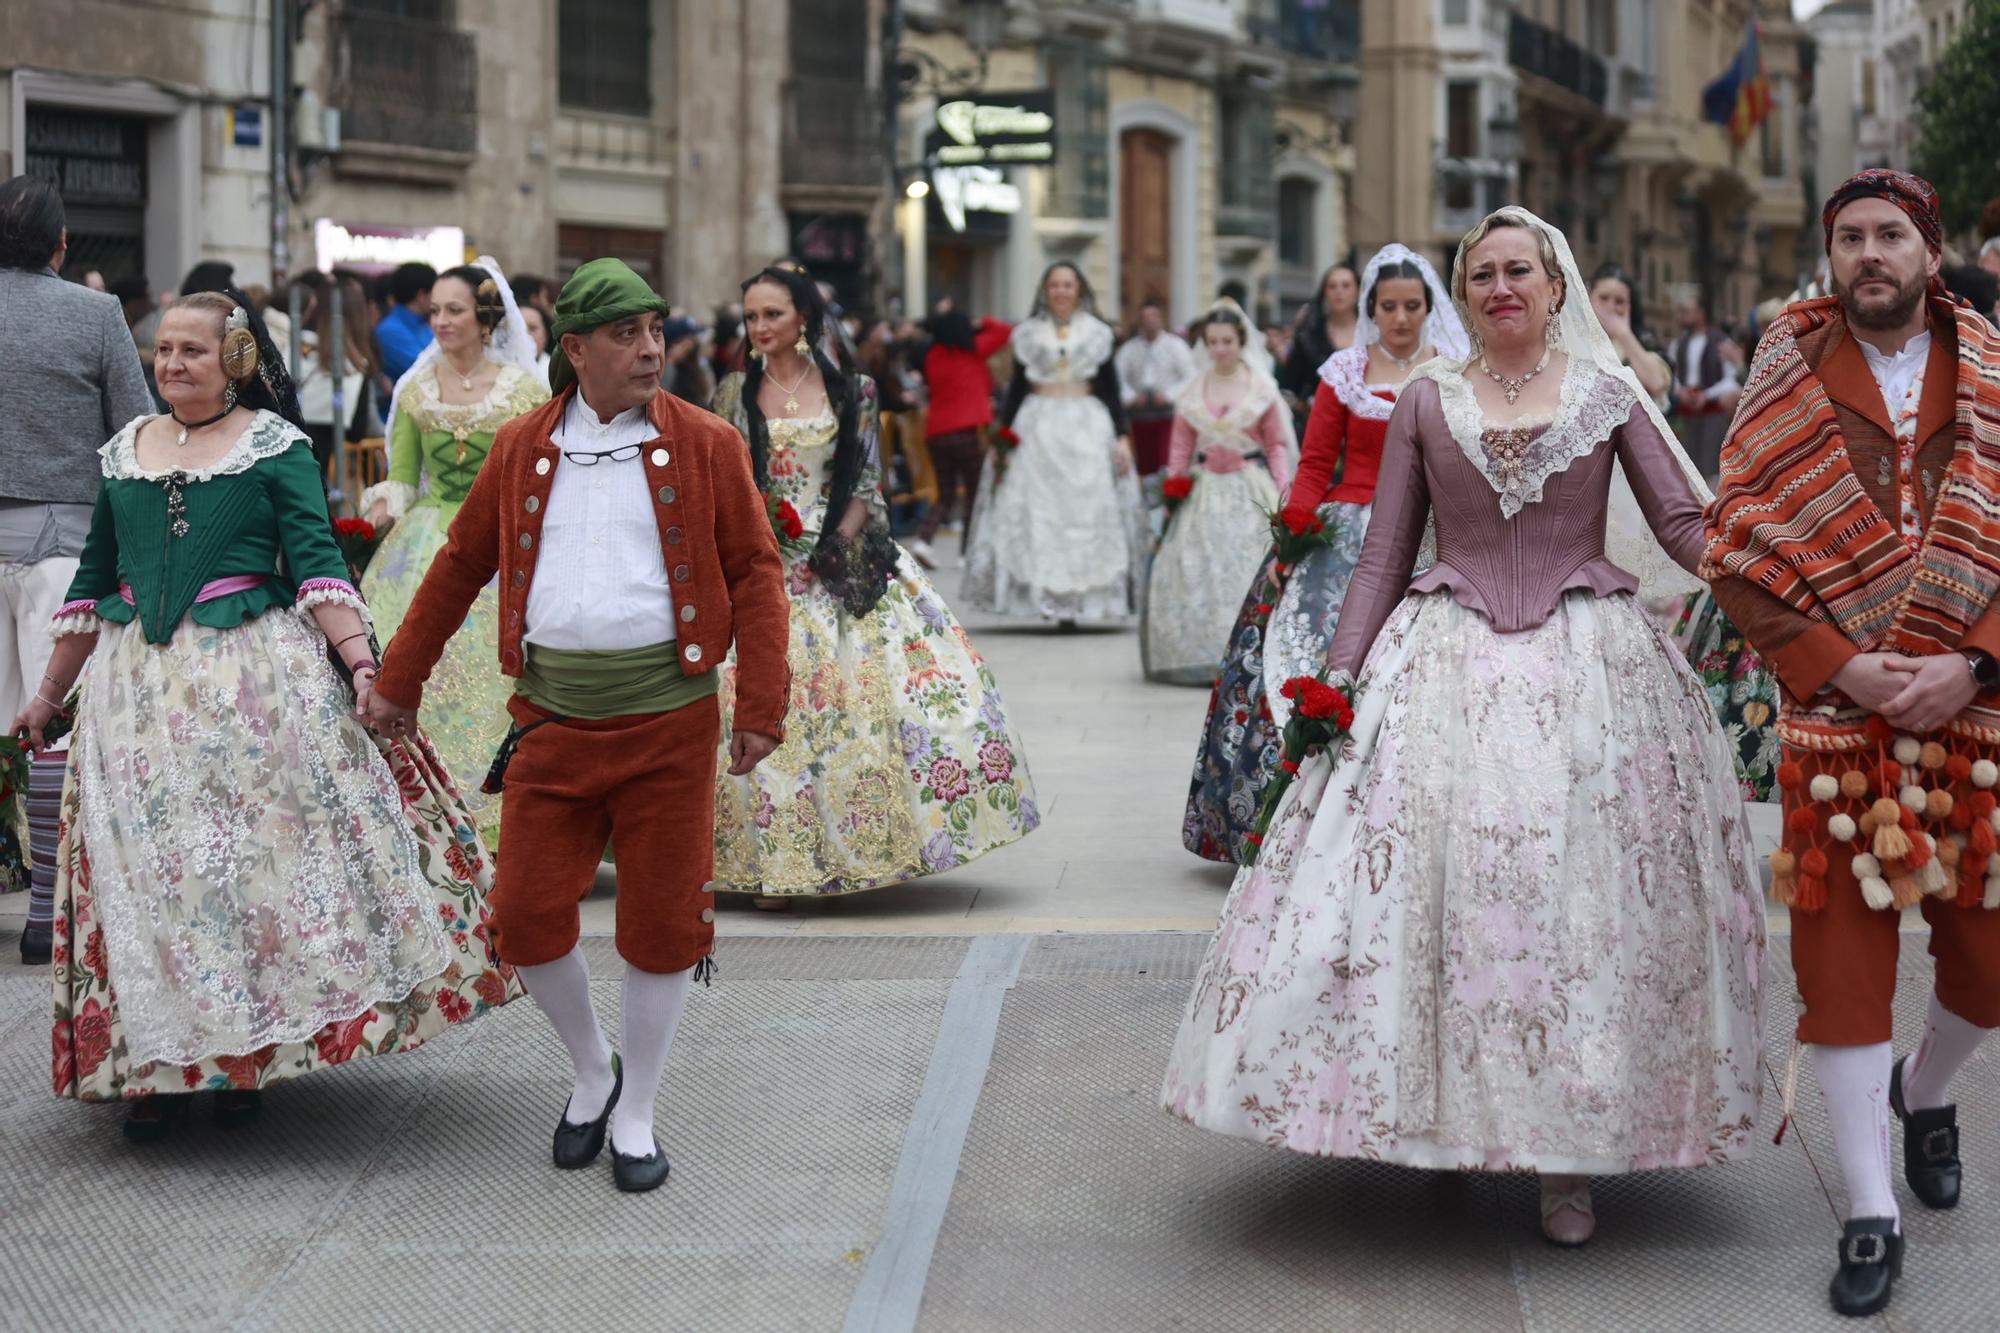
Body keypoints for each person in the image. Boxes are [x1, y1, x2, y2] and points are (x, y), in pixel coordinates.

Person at [1163, 207, 1762, 1250]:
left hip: (1590, 667)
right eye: (1479, 271)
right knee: (1439, 900)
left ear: (1553, 286)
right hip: (1440, 657)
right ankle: (1432, 1120)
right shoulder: (1426, 401)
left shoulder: (1607, 393)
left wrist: (1773, 565)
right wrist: (1336, 679)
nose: (1499, 286)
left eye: (1516, 269)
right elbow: (1386, 553)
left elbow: (1680, 524)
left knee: (1574, 906)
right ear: (1465, 290)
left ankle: (1564, 1157)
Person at [21, 289, 519, 1135]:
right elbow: (93, 584)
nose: (171, 364)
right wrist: (46, 694)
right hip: (137, 699)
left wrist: (365, 666)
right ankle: (155, 1065)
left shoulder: (274, 447)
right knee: (151, 877)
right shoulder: (123, 453)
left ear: (237, 361)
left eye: (192, 351)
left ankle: (239, 1058)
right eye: (163, 350)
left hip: (251, 692)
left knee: (240, 876)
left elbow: (320, 566)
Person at [366, 259, 790, 1192]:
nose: (651, 351)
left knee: (660, 924)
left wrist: (760, 704)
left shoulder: (709, 441)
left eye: (656, 333)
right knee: (522, 917)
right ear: (575, 350)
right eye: (628, 336)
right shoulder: (524, 446)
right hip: (551, 718)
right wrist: (398, 682)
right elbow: (458, 566)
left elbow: (757, 571)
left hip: (671, 723)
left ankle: (637, 1109)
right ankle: (594, 1066)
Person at [1706, 170, 2000, 1319]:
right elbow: (1734, 549)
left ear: (1927, 251)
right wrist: (1838, 665)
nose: (1867, 254)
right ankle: (1869, 1212)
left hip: (1970, 717)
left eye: (1888, 236)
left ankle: (1922, 1092)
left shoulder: (1992, 367)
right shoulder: (1780, 374)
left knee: (1983, 965)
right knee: (1839, 973)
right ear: (1826, 253)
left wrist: (1970, 663)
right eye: (1847, 238)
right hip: (1834, 726)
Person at [710, 265, 1036, 903]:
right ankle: (770, 860)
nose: (759, 328)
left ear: (802, 316)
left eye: (772, 314)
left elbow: (861, 486)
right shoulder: (731, 392)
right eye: (751, 316)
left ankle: (859, 845)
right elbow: (727, 484)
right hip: (758, 560)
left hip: (837, 559)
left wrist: (824, 550)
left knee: (870, 706)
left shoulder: (852, 390)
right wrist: (762, 550)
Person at [1182, 244, 1467, 862]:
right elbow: (1315, 463)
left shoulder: (1451, 372)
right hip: (1346, 528)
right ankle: (1283, 811)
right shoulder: (1344, 372)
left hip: (1428, 532)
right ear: (1371, 309)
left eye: (1411, 306)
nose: (1400, 317)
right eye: (1388, 306)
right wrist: (1295, 527)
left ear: (1428, 307)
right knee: (1300, 650)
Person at [0, 175, 153, 963]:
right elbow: (136, 432)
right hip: (63, 535)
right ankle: (42, 913)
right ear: (63, 246)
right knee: (50, 722)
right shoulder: (94, 313)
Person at [360, 259, 548, 833]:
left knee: (498, 677)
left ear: (485, 317)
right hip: (426, 540)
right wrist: (376, 516)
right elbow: (403, 475)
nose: (440, 321)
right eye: (435, 310)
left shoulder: (524, 390)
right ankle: (422, 811)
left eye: (454, 310)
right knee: (416, 662)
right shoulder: (416, 388)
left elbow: (539, 473)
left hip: (502, 536)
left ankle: (503, 816)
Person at [963, 262, 1146, 624]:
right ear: (1045, 290)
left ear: (1079, 290)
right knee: (1038, 511)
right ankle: (1044, 599)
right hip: (1038, 426)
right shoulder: (1028, 334)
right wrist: (1003, 437)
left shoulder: (1098, 334)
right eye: (1055, 285)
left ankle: (1082, 600)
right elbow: (1015, 390)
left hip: (1086, 424)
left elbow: (1110, 389)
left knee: (1088, 510)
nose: (1061, 291)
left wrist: (1123, 436)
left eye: (1068, 285)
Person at [1141, 298, 1294, 685]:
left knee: (1246, 566)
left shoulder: (1261, 388)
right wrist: (1174, 488)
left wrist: (1283, 489)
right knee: (1197, 566)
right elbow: (1180, 446)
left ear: (1241, 341)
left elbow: (1276, 443)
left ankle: (1251, 652)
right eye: (1213, 342)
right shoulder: (1193, 390)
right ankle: (1205, 652)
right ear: (1205, 344)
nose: (1220, 349)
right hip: (1205, 486)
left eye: (1227, 341)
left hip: (1249, 484)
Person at [917, 304, 1012, 566]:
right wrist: (980, 321)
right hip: (967, 430)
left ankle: (924, 541)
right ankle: (965, 553)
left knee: (945, 492)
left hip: (937, 432)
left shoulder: (932, 356)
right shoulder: (974, 350)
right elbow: (1004, 331)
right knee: (973, 492)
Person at [1114, 300, 1196, 477]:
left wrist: (1169, 395)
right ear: (1140, 321)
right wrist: (1131, 397)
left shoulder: (1176, 346)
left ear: (1161, 319)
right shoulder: (1129, 349)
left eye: (1153, 316)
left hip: (1168, 415)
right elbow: (1118, 380)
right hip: (1138, 416)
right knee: (1141, 464)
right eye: (1145, 317)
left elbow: (1190, 376)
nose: (1149, 321)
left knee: (1165, 461)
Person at [1278, 263, 1360, 435]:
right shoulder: (1308, 336)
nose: (1339, 291)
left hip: (1364, 424)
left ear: (1358, 291)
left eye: (1346, 285)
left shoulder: (1374, 335)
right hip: (1319, 426)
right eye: (1332, 286)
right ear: (1324, 292)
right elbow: (1290, 386)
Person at [1668, 288, 1741, 478]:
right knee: (1687, 464)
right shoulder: (1678, 344)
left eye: (1688, 310)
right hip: (1687, 410)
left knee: (1712, 464)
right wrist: (1681, 392)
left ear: (1701, 314)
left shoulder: (1722, 342)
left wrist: (1706, 395)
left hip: (1713, 410)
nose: (1683, 315)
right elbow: (1670, 376)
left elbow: (1731, 380)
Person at [1588, 263, 1672, 403]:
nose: (1611, 307)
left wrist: (1623, 333)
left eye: (1619, 301)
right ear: (1589, 298)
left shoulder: (1643, 342)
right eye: (1603, 298)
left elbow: (1656, 383)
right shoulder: (1571, 340)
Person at [375, 261, 437, 383]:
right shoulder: (390, 331)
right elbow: (427, 371)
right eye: (435, 292)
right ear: (421, 295)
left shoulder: (423, 324)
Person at [662, 314, 712, 407]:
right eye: (690, 339)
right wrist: (671, 361)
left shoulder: (694, 364)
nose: (696, 341)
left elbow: (706, 391)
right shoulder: (667, 368)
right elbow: (661, 397)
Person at [519, 302, 554, 380]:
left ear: (546, 335)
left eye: (532, 328)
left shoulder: (556, 373)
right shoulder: (498, 369)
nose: (526, 335)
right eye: (519, 327)